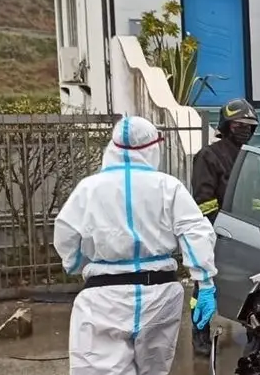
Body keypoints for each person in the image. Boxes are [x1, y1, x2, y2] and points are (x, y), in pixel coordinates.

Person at [53, 116, 218, 375]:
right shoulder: (168, 187)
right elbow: (195, 230)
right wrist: (205, 281)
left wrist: (75, 263)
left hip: (104, 297)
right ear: (154, 147)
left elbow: (66, 234)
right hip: (160, 294)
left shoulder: (89, 189)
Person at [188, 98, 259, 355]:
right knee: (204, 287)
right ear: (227, 126)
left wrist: (257, 225)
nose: (246, 130)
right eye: (240, 125)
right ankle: (200, 335)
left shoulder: (252, 158)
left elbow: (257, 198)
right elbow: (203, 200)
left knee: (253, 287)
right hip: (215, 233)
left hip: (247, 234)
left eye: (250, 126)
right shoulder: (208, 156)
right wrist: (220, 228)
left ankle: (254, 332)